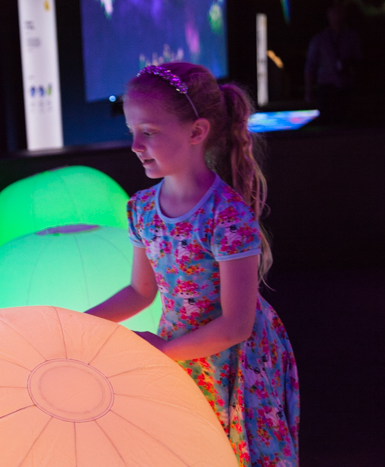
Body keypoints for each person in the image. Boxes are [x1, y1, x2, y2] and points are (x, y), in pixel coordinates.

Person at [85, 63, 299, 466]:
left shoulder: (228, 216)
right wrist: (80, 322)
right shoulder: (141, 209)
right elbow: (139, 291)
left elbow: (238, 324)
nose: (134, 145)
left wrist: (166, 350)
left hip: (233, 360)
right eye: (131, 131)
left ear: (196, 132)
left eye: (148, 132)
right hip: (178, 353)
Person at [304, 2, 362, 125]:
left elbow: (358, 61)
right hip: (326, 87)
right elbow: (310, 66)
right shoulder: (320, 39)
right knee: (326, 122)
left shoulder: (351, 37)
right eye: (334, 13)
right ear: (328, 15)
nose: (337, 16)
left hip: (345, 86)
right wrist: (308, 90)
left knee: (345, 121)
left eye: (340, 13)